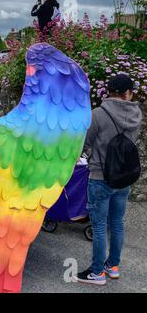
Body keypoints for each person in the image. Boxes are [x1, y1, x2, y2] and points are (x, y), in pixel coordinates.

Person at [74, 74, 142, 285]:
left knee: (100, 226)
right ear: (128, 93)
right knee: (117, 224)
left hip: (100, 177)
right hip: (124, 178)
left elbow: (84, 142)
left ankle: (96, 273)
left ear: (109, 92)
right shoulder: (136, 114)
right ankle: (112, 266)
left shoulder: (98, 114)